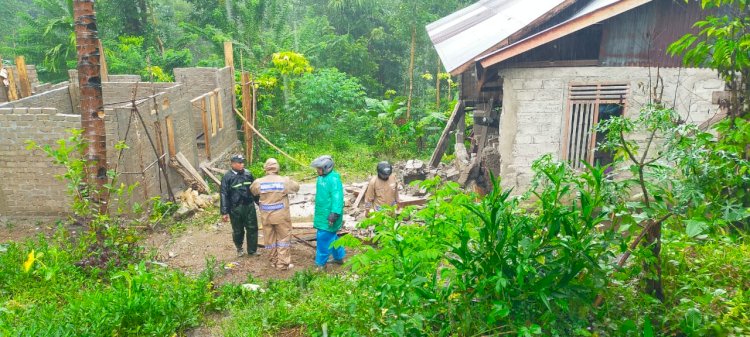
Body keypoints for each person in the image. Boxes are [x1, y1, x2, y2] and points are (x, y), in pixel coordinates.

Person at [250, 158, 300, 270]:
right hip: (281, 216)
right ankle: (282, 264)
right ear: (277, 167)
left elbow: (253, 191)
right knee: (283, 239)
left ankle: (273, 261)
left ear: (265, 168)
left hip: (266, 216)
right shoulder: (284, 181)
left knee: (270, 240)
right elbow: (296, 188)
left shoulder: (259, 182)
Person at [220, 154, 259, 257]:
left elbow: (254, 190)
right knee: (238, 230)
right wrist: (224, 212)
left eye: (243, 162)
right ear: (233, 164)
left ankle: (252, 250)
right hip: (235, 208)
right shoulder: (227, 177)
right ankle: (239, 248)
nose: (242, 164)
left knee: (252, 228)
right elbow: (224, 194)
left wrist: (259, 203)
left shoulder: (248, 174)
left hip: (249, 206)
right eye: (240, 162)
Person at [310, 155, 345, 269]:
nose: (317, 170)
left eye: (319, 168)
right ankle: (339, 257)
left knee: (323, 238)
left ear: (326, 167)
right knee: (332, 237)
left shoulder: (334, 179)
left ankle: (321, 264)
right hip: (322, 213)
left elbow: (337, 198)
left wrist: (334, 214)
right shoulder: (321, 178)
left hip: (330, 215)